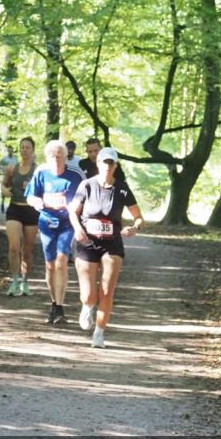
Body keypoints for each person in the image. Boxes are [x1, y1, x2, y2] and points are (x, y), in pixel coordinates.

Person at [69, 147, 145, 348]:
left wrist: (134, 228)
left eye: (111, 163)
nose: (107, 166)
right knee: (88, 294)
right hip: (87, 241)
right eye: (104, 162)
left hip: (112, 243)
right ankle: (87, 306)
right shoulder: (86, 185)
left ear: (116, 166)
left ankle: (99, 333)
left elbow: (138, 217)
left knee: (107, 290)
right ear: (98, 164)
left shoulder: (122, 188)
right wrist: (77, 229)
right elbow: (72, 212)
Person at [26, 140, 85, 324]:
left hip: (67, 223)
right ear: (47, 157)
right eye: (53, 156)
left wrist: (79, 219)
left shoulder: (75, 174)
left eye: (60, 156)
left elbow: (85, 197)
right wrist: (36, 203)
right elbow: (30, 196)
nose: (57, 159)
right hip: (46, 223)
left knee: (61, 261)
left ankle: (60, 306)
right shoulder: (41, 172)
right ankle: (53, 303)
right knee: (50, 265)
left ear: (66, 157)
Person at [1, 136, 39, 297]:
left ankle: (25, 281)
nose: (24, 150)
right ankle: (14, 281)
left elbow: (44, 188)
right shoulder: (11, 168)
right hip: (15, 209)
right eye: (22, 147)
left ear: (33, 150)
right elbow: (3, 184)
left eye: (27, 147)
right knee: (14, 247)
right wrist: (4, 190)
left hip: (31, 211)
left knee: (27, 251)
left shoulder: (38, 170)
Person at [0, 146, 18, 213]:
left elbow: (17, 166)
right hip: (6, 176)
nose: (10, 152)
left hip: (14, 176)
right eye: (9, 150)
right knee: (5, 188)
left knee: (14, 189)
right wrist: (3, 170)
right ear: (8, 151)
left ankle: (13, 204)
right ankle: (2, 202)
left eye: (11, 150)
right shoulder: (4, 159)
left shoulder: (15, 158)